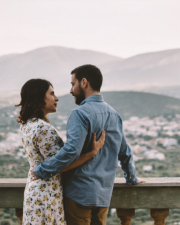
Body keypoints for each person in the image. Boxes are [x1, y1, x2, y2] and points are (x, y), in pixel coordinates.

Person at [32, 65, 141, 225]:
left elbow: (71, 151)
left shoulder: (80, 113)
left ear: (84, 83)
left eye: (72, 84)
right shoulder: (113, 114)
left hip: (79, 195)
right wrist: (132, 178)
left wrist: (42, 170)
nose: (70, 90)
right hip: (103, 196)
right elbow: (124, 152)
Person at [18, 78, 106, 225]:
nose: (56, 98)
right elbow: (61, 165)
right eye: (52, 94)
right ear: (39, 97)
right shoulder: (43, 128)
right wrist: (91, 153)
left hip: (34, 191)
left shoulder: (26, 125)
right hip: (47, 193)